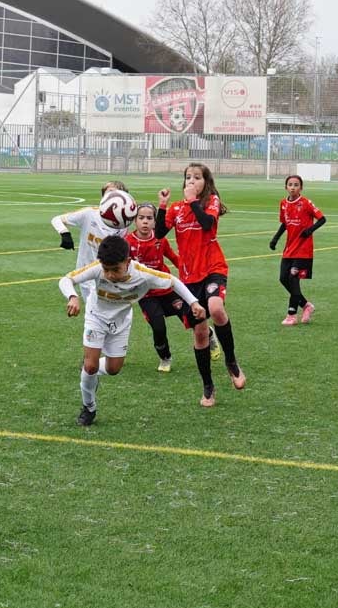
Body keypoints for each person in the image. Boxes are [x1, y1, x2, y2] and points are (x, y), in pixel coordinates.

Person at [60, 234, 205, 426]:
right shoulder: (97, 268)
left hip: (121, 323)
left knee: (113, 369)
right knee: (90, 366)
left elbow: (173, 281)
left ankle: (90, 369)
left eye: (115, 269)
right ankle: (89, 407)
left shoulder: (143, 274)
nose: (110, 274)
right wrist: (72, 296)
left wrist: (193, 302)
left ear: (128, 261)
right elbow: (67, 279)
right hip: (96, 318)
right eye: (106, 269)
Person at [157, 162, 245, 407]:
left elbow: (206, 224)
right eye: (188, 177)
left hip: (213, 267)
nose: (192, 181)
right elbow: (158, 233)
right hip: (188, 277)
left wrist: (194, 201)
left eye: (197, 177)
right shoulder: (176, 208)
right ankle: (208, 387)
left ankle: (231, 362)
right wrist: (163, 205)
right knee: (200, 332)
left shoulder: (210, 202)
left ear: (206, 182)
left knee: (216, 308)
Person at [128, 202, 186, 372]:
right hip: (146, 294)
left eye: (149, 218)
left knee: (191, 317)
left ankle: (208, 334)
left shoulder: (160, 240)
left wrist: (186, 272)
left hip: (167, 288)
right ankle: (165, 358)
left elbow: (175, 259)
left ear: (155, 222)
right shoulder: (128, 242)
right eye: (141, 218)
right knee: (159, 327)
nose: (145, 222)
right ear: (134, 221)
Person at [269, 173, 326, 325]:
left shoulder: (306, 203)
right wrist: (275, 238)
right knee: (283, 278)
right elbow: (284, 224)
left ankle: (291, 315)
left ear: (301, 187)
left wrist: (310, 230)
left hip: (303, 249)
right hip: (289, 248)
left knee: (293, 279)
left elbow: (322, 219)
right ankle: (306, 306)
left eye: (296, 185)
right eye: (290, 185)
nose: (293, 187)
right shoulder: (283, 203)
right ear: (286, 187)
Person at [50, 180, 129, 270]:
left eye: (116, 194)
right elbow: (56, 219)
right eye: (109, 193)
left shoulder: (124, 223)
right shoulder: (89, 213)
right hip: (85, 272)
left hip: (108, 273)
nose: (111, 197)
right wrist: (65, 233)